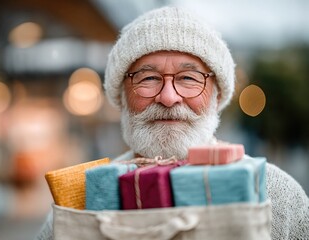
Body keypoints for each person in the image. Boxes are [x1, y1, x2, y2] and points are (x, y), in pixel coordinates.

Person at [36, 6, 309, 239]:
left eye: (189, 78)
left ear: (216, 96)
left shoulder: (278, 194)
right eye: (148, 78)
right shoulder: (79, 200)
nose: (168, 97)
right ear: (121, 96)